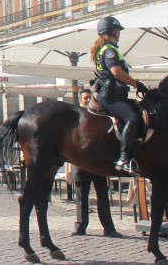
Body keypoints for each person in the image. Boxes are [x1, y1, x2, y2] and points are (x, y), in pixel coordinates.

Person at [92, 15, 148, 173]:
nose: (119, 33)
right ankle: (123, 159)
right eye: (117, 30)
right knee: (132, 118)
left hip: (114, 94)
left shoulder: (107, 49)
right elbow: (116, 72)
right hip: (109, 96)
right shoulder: (109, 50)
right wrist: (136, 84)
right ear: (111, 32)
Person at [72, 87, 121, 238]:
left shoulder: (99, 116)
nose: (87, 100)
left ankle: (108, 228)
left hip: (98, 162)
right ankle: (80, 227)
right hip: (80, 162)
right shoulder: (75, 118)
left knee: (102, 195)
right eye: (84, 98)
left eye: (89, 97)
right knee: (81, 196)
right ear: (80, 100)